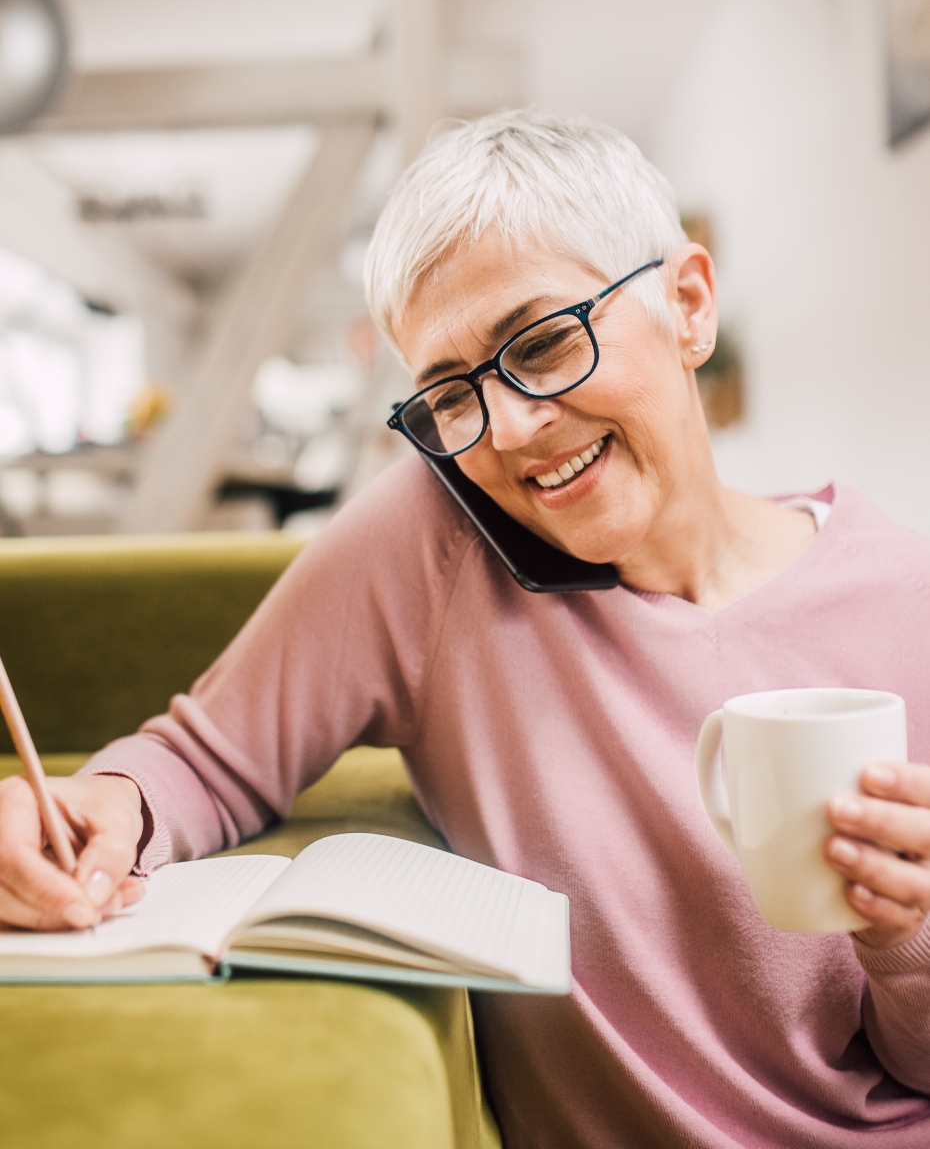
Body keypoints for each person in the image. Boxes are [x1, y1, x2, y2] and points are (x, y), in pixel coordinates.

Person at [1, 111, 929, 1149]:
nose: (513, 428)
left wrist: (911, 947)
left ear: (688, 306)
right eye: (450, 394)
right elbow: (207, 758)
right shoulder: (438, 546)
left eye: (540, 343)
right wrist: (99, 807)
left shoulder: (907, 604)